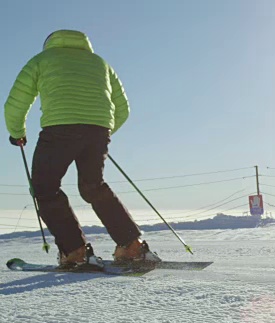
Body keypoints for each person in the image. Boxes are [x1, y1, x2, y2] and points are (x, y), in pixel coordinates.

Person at [4, 29, 160, 267]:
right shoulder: (100, 63)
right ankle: (131, 246)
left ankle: (75, 251)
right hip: (97, 131)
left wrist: (17, 134)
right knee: (93, 186)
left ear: (50, 44)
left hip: (59, 130)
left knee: (45, 188)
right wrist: (103, 131)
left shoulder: (42, 60)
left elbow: (16, 101)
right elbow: (123, 109)